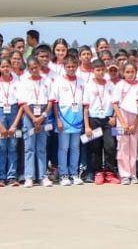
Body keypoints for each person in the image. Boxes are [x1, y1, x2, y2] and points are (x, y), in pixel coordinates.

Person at [83, 60, 118, 185]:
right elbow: (86, 108)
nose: (101, 72)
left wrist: (114, 117)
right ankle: (98, 172)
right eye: (98, 70)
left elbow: (115, 104)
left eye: (103, 70)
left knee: (110, 146)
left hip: (108, 120)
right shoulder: (88, 86)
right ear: (93, 71)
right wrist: (87, 126)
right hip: (94, 119)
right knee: (95, 147)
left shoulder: (110, 85)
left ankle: (109, 172)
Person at [19, 57, 52, 188]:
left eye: (36, 67)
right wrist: (33, 118)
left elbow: (50, 101)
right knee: (29, 147)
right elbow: (23, 103)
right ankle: (29, 176)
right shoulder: (24, 82)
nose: (34, 70)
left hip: (43, 113)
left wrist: (42, 116)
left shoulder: (47, 81)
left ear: (39, 66)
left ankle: (43, 176)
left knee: (41, 147)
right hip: (29, 114)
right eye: (31, 68)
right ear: (28, 69)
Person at [53, 56, 85, 186]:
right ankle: (63, 174)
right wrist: (58, 120)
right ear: (64, 67)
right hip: (64, 118)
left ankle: (74, 173)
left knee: (75, 148)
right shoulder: (58, 81)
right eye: (68, 67)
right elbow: (55, 102)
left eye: (73, 66)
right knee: (63, 148)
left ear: (77, 66)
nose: (71, 69)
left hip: (77, 118)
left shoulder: (81, 81)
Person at [0, 59, 21, 186]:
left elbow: (21, 105)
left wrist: (15, 124)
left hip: (14, 112)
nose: (5, 69)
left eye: (8, 66)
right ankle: (0, 176)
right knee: (2, 147)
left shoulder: (17, 81)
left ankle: (12, 176)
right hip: (0, 112)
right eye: (2, 66)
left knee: (13, 146)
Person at [112, 63, 138, 185]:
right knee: (123, 146)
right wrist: (123, 123)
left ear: (136, 72)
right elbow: (115, 104)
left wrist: (135, 123)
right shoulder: (120, 85)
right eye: (127, 72)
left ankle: (133, 173)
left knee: (133, 146)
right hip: (122, 118)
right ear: (123, 73)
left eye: (132, 72)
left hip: (135, 118)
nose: (130, 74)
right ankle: (124, 174)